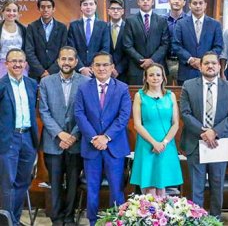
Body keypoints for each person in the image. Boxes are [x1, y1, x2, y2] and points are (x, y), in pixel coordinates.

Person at [74, 52, 131, 225]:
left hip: (114, 148)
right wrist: (94, 138)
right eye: (97, 65)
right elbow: (79, 114)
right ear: (91, 67)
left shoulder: (122, 88)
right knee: (92, 190)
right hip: (91, 148)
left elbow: (123, 116)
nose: (101, 68)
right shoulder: (83, 88)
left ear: (112, 67)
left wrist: (106, 137)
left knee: (116, 190)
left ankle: (117, 221)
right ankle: (92, 221)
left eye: (105, 65)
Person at [180, 51, 228, 218]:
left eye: (214, 63)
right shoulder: (189, 86)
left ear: (220, 66)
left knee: (217, 186)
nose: (210, 66)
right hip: (195, 142)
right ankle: (197, 220)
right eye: (206, 63)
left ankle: (215, 220)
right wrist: (204, 132)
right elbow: (185, 113)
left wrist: (215, 132)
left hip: (219, 144)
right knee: (196, 188)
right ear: (200, 66)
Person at [39, 46, 89, 226]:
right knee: (55, 183)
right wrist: (60, 134)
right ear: (58, 61)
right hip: (54, 142)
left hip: (76, 142)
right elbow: (44, 112)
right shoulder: (46, 82)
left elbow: (86, 113)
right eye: (63, 59)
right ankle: (57, 219)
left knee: (74, 183)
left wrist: (73, 136)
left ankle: (69, 218)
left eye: (70, 59)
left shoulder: (85, 82)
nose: (66, 62)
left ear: (76, 62)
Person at [130, 63, 183, 196]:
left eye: (158, 75)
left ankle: (161, 215)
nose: (155, 78)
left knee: (162, 182)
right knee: (149, 184)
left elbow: (175, 123)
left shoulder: (170, 95)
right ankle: (148, 214)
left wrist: (163, 143)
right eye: (151, 75)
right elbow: (137, 124)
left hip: (166, 143)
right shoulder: (139, 96)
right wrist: (154, 143)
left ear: (164, 77)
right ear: (146, 78)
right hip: (147, 143)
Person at [0, 48, 38, 225]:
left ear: (25, 64)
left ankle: (14, 219)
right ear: (6, 64)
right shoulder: (1, 85)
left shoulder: (32, 84)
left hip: (28, 138)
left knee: (23, 182)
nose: (17, 64)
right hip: (8, 140)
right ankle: (7, 222)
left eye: (20, 61)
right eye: (13, 61)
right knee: (7, 185)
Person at [173, 0, 223, 85]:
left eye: (200, 3)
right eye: (195, 3)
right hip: (186, 71)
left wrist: (203, 61)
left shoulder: (215, 24)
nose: (198, 6)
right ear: (189, 6)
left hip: (208, 71)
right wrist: (190, 59)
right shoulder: (181, 24)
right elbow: (176, 45)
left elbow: (218, 46)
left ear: (205, 5)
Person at [122, 0, 169, 85]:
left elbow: (165, 44)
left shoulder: (162, 21)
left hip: (157, 67)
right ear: (138, 2)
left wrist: (152, 60)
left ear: (153, 2)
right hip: (137, 68)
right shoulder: (130, 21)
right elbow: (127, 45)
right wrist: (142, 61)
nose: (145, 1)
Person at [25, 0, 67, 81]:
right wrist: (41, 71)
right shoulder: (31, 27)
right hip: (36, 74)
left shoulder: (62, 27)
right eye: (42, 7)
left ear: (53, 9)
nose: (46, 9)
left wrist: (51, 71)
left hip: (56, 73)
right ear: (38, 9)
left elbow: (64, 52)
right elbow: (29, 51)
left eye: (49, 7)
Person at [67, 0, 110, 77]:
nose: (88, 7)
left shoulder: (104, 25)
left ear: (96, 6)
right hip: (77, 72)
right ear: (81, 7)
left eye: (91, 4)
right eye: (85, 4)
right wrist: (81, 68)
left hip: (97, 71)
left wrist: (94, 66)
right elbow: (71, 49)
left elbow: (105, 48)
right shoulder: (73, 25)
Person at [165, 0, 187, 85]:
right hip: (165, 62)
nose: (176, 1)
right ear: (169, 1)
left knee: (183, 94)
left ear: (184, 2)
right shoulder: (161, 20)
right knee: (165, 94)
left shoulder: (189, 21)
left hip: (184, 63)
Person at [0, 1, 27, 77]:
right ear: (2, 12)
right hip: (2, 64)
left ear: (18, 14)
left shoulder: (24, 29)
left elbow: (27, 49)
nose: (11, 13)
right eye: (8, 10)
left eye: (14, 11)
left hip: (20, 65)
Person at [108, 0, 127, 82]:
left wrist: (118, 69)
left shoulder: (129, 27)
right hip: (106, 71)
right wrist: (110, 68)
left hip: (125, 72)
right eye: (112, 8)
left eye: (118, 9)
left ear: (122, 11)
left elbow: (130, 51)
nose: (115, 11)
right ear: (108, 11)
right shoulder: (103, 28)